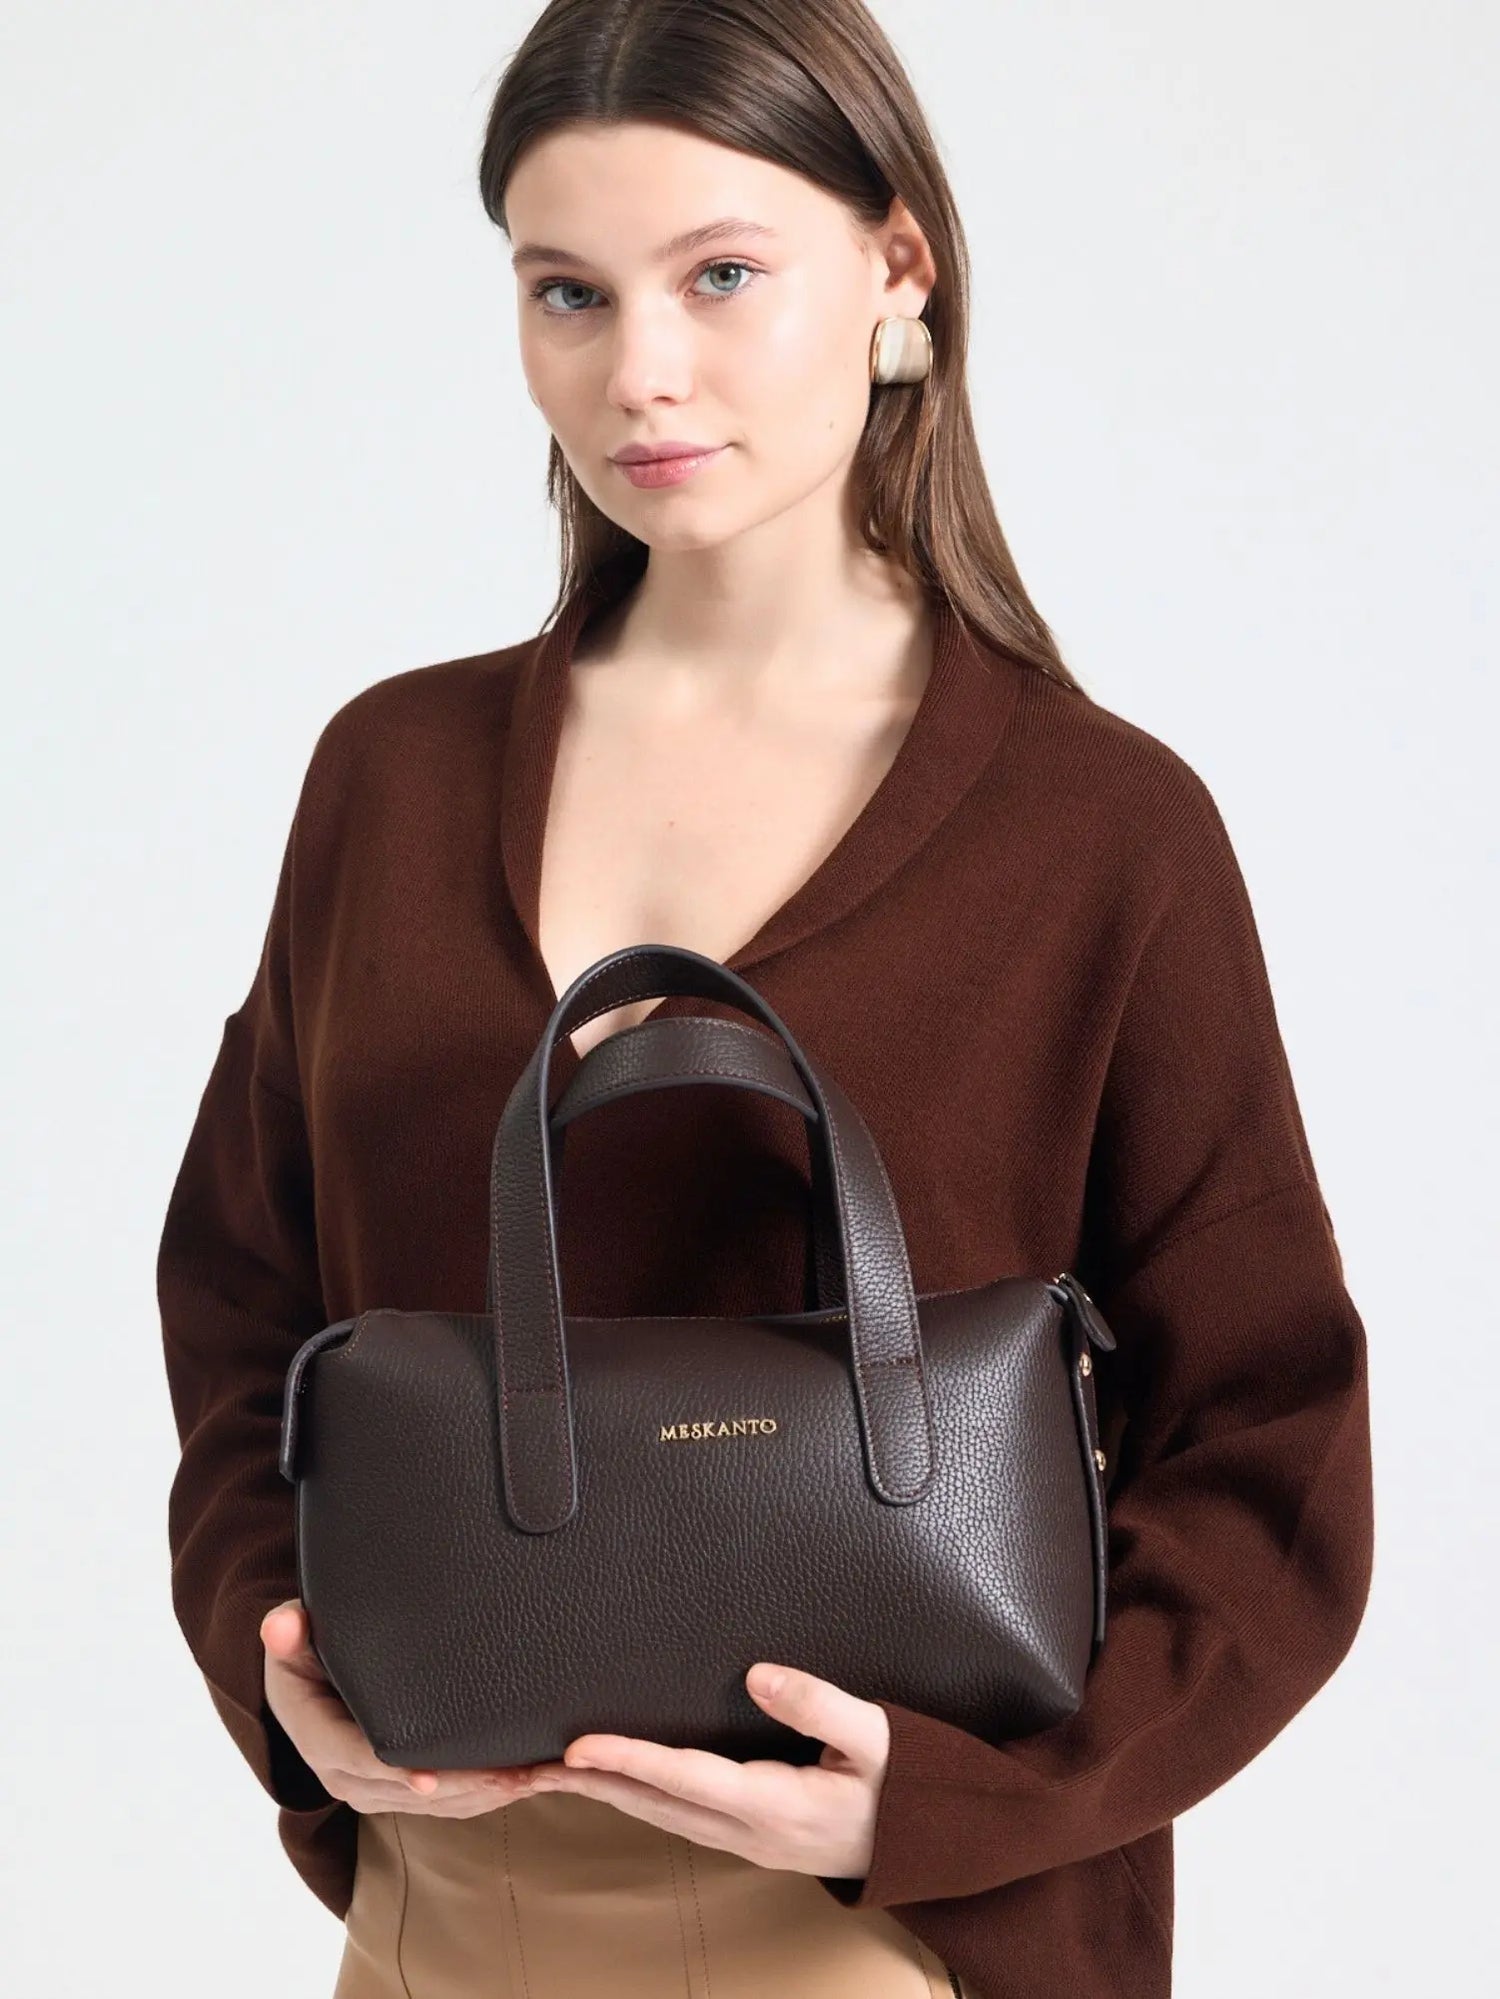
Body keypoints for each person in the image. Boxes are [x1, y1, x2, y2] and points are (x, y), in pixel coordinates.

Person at [156, 3, 1375, 1995]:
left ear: (897, 270)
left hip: (901, 1937)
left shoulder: (1099, 828)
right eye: (568, 291)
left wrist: (959, 1806)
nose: (637, 370)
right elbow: (239, 1304)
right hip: (450, 1907)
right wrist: (277, 1660)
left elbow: (1273, 1436)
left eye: (721, 275)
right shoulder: (392, 776)